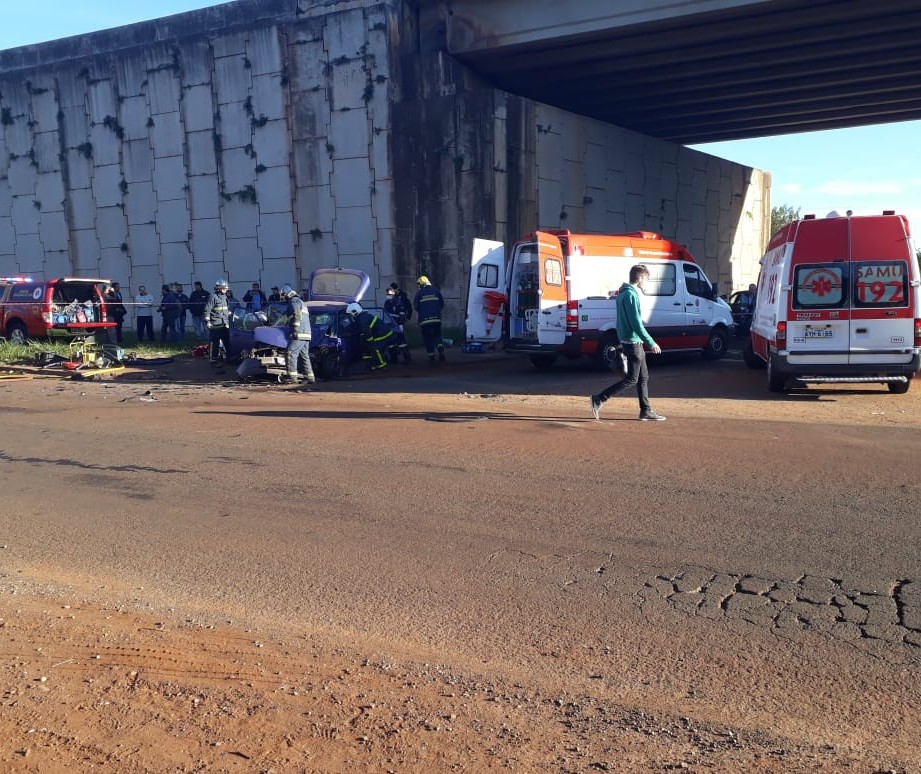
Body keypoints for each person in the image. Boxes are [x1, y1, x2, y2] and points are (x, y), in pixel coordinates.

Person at [589, 264, 666, 422]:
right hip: (634, 343)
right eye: (646, 279)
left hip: (629, 341)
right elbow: (636, 323)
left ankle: (646, 410)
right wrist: (651, 342)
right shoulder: (631, 295)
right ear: (640, 278)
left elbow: (620, 321)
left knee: (643, 377)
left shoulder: (623, 293)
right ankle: (599, 398)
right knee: (632, 379)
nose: (646, 283)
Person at [279, 284, 316, 384]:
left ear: (287, 294)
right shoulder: (302, 302)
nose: (283, 298)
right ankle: (310, 377)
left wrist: (294, 328)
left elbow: (296, 315)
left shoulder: (293, 301)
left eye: (283, 295)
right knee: (304, 356)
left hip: (299, 332)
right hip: (307, 334)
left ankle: (292, 377)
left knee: (290, 353)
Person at [346, 302, 394, 371]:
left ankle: (381, 366)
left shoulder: (362, 319)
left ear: (355, 312)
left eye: (350, 313)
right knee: (368, 346)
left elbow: (366, 331)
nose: (350, 315)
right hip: (378, 333)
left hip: (383, 334)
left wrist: (370, 341)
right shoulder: (361, 317)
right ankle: (371, 364)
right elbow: (354, 326)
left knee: (376, 348)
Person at [413, 275, 445, 362]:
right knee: (437, 335)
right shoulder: (436, 291)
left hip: (425, 320)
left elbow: (416, 306)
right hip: (436, 319)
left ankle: (431, 356)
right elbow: (442, 304)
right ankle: (440, 349)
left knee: (428, 337)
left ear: (421, 284)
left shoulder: (419, 293)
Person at [203, 279, 231, 363]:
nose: (226, 290)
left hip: (224, 324)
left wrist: (231, 314)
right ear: (219, 288)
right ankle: (213, 358)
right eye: (224, 288)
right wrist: (208, 322)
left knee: (227, 342)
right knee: (215, 342)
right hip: (215, 324)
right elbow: (207, 310)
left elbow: (225, 310)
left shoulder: (225, 297)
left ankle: (229, 357)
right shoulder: (213, 297)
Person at [384, 282, 413, 363]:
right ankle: (394, 359)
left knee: (401, 341)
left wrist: (400, 324)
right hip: (390, 325)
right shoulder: (387, 303)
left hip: (397, 324)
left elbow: (402, 313)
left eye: (389, 294)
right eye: (387, 294)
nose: (387, 295)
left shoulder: (398, 302)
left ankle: (407, 358)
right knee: (391, 342)